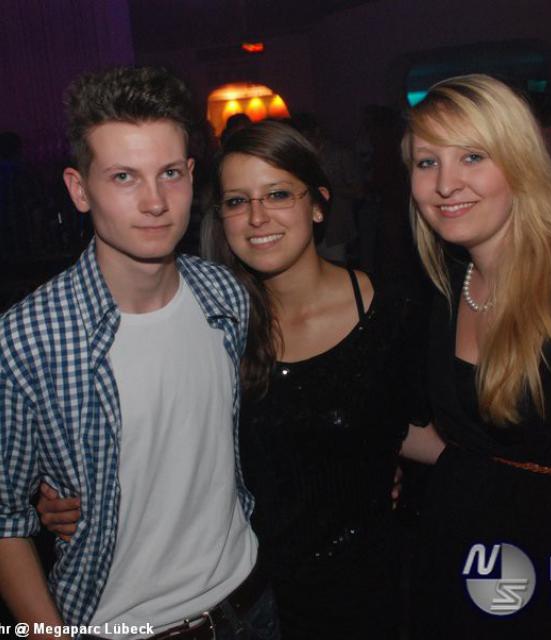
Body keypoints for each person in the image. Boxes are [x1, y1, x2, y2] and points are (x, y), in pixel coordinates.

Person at [39, 120, 432, 639]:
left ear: (318, 205)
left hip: (362, 594)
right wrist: (62, 491)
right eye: (237, 201)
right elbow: (154, 428)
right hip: (250, 598)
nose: (257, 217)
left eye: (278, 194)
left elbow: (415, 429)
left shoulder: (392, 312)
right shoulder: (216, 317)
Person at [0, 66, 278, 640]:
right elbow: (5, 519)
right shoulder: (28, 339)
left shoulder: (225, 296)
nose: (155, 202)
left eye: (169, 173)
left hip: (249, 605)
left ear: (191, 175)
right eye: (124, 177)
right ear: (79, 189)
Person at [402, 74, 551, 638]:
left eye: (472, 156)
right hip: (460, 561)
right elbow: (463, 440)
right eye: (427, 162)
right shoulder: (445, 289)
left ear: (521, 162)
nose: (445, 184)